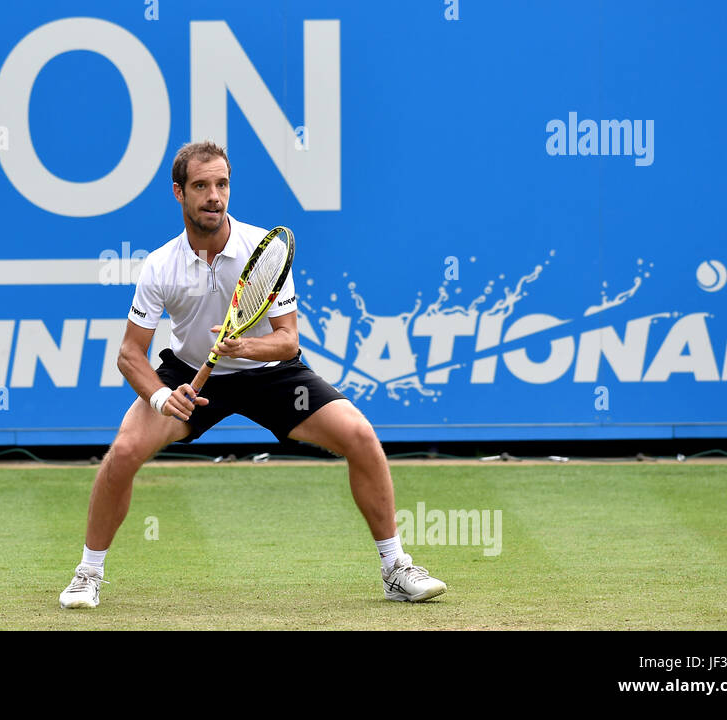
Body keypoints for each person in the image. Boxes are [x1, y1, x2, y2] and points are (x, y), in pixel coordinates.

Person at [59, 140, 446, 609]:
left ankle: (395, 568)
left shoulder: (262, 250)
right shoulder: (161, 265)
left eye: (221, 184)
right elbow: (129, 354)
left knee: (360, 436)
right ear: (179, 193)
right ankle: (88, 574)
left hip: (270, 373)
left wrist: (245, 345)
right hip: (191, 375)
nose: (214, 197)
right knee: (122, 452)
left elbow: (289, 340)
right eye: (201, 186)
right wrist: (163, 398)